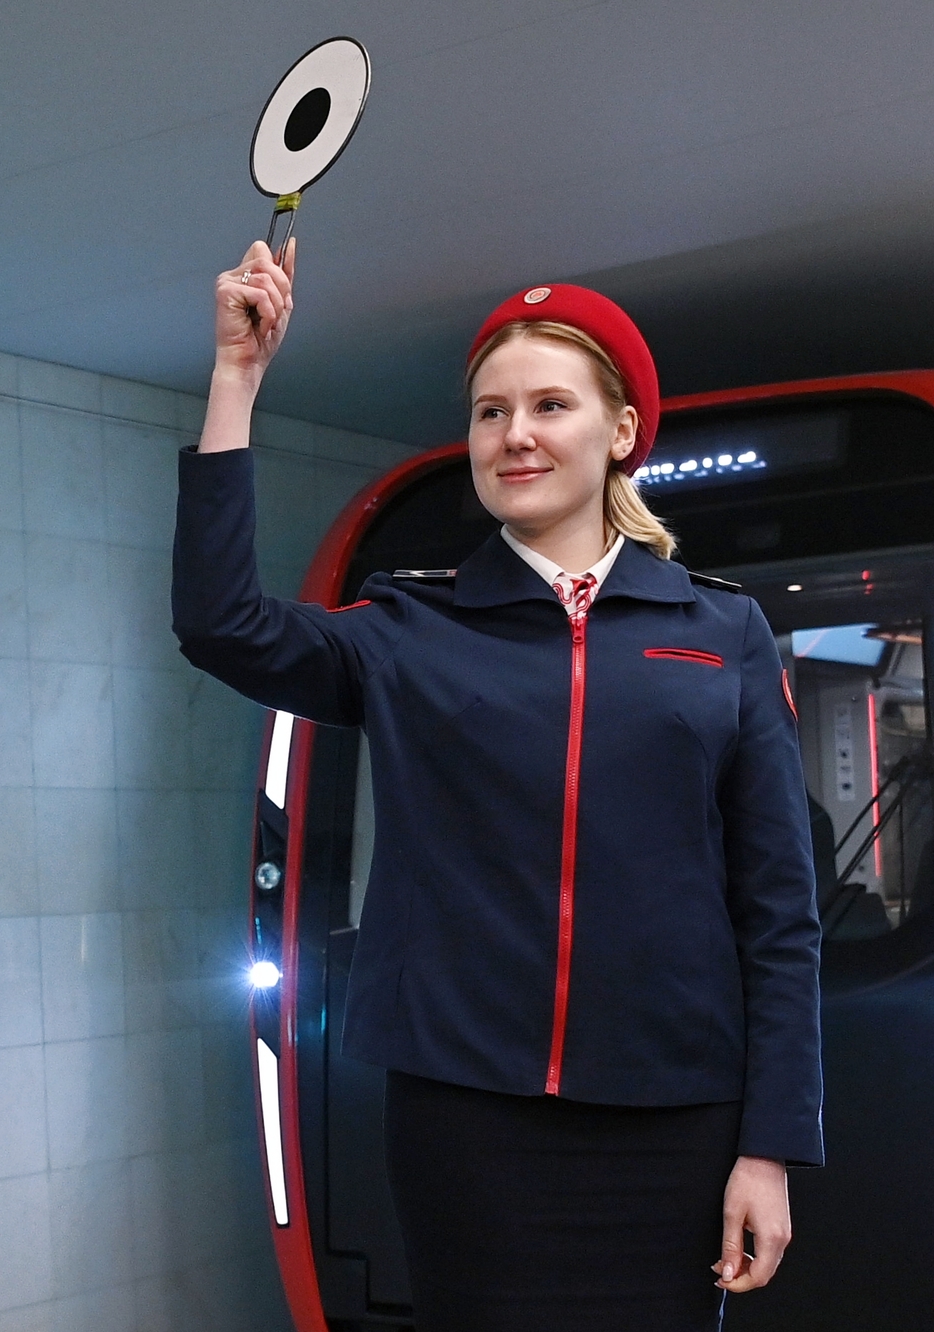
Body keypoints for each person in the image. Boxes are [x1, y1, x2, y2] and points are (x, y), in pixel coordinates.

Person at [173, 240, 823, 1331]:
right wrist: (236, 378)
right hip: (466, 1119)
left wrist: (773, 1145)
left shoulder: (721, 633)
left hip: (675, 1119)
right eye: (488, 412)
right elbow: (221, 625)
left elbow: (780, 913)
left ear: (619, 433)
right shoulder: (411, 628)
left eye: (549, 404)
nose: (514, 434)